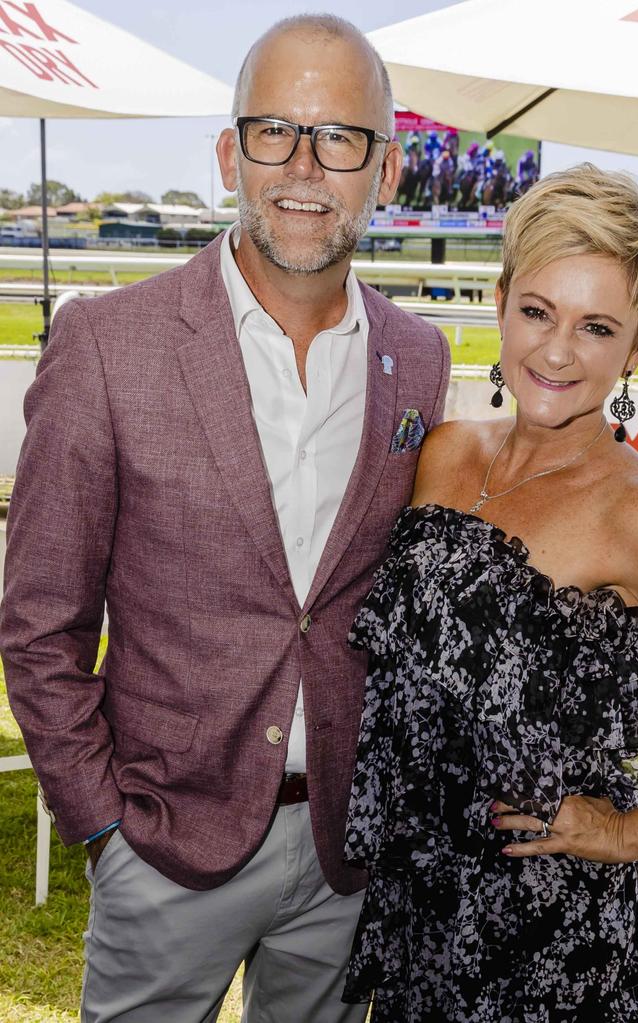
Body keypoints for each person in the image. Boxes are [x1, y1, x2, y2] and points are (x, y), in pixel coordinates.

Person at [0, 14, 449, 1023]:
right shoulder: (109, 346)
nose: (303, 166)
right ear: (227, 155)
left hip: (343, 862)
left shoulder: (419, 360)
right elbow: (38, 622)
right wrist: (103, 826)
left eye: (339, 137)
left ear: (386, 171)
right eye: (273, 132)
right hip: (160, 849)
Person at [341, 164, 638, 1022]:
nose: (558, 350)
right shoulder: (447, 449)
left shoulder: (634, 514)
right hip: (416, 912)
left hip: (543, 942)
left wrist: (630, 831)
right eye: (537, 311)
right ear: (501, 301)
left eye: (597, 326)